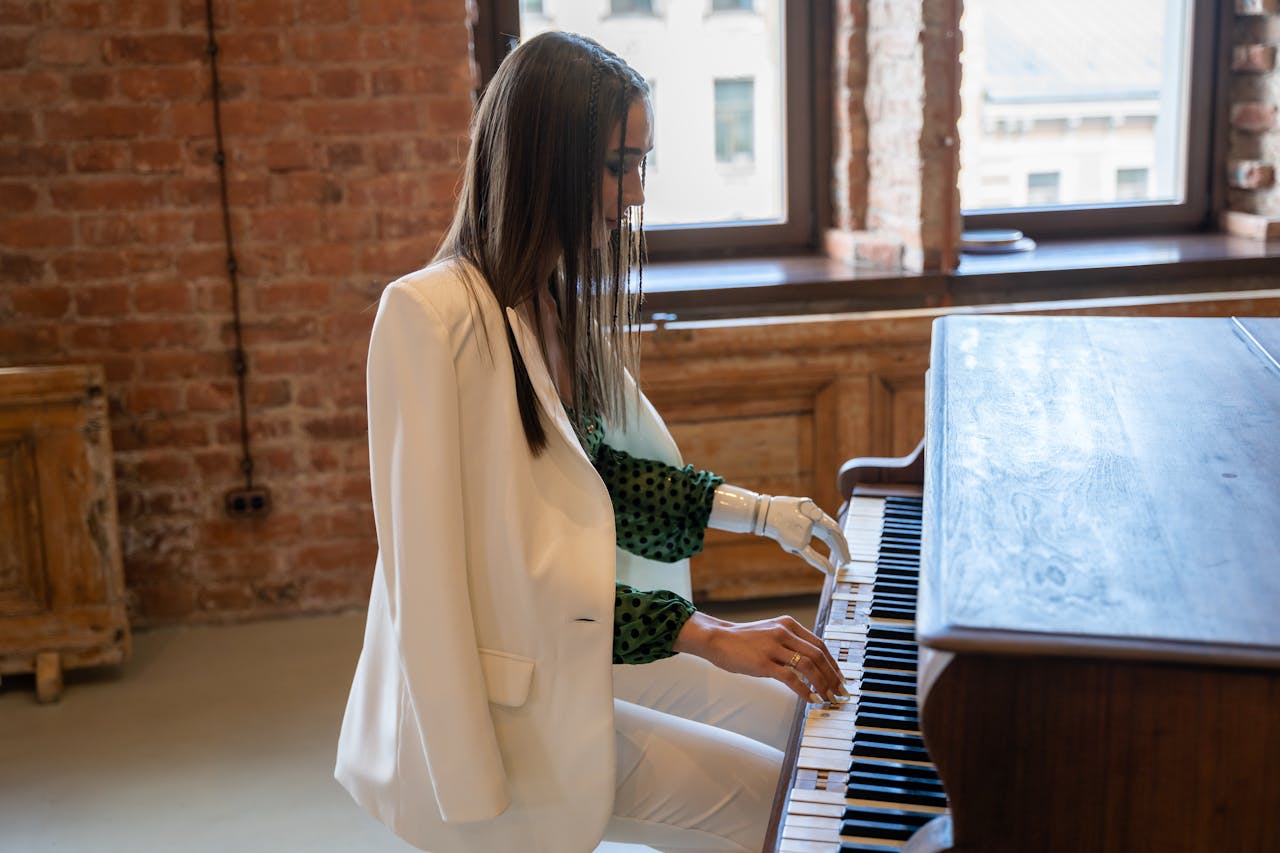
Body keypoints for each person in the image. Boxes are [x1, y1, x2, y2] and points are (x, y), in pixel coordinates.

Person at [335, 31, 853, 853]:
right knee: (779, 799)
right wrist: (708, 634)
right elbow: (455, 582)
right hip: (500, 717)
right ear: (547, 161)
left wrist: (761, 514)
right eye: (619, 167)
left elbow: (599, 478)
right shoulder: (426, 317)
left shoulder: (546, 298)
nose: (638, 194)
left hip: (574, 657)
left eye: (643, 164)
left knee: (814, 721)